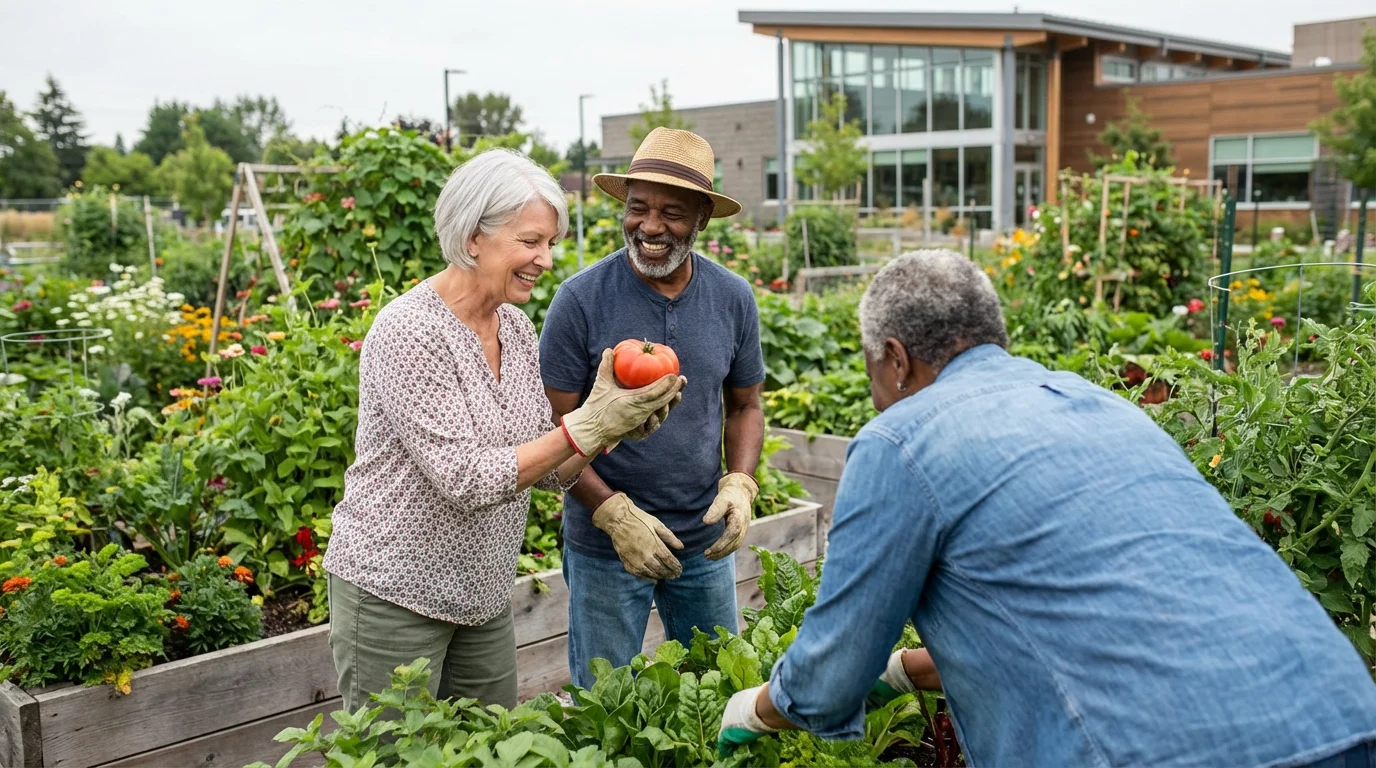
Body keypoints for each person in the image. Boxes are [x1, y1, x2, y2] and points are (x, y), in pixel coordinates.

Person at [718, 249, 1376, 766]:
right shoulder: (1102, 407)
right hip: (1340, 715)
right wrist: (905, 670)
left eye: (870, 373)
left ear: (895, 360)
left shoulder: (901, 440)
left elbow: (831, 675)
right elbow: (1095, 615)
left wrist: (757, 708)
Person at [322, 149, 684, 712]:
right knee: (391, 752)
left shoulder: (514, 328)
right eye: (530, 241)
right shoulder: (409, 331)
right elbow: (466, 479)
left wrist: (616, 426)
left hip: (482, 596)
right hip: (394, 593)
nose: (544, 259)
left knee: (489, 746)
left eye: (550, 245)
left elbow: (544, 467)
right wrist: (587, 422)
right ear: (472, 238)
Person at [539, 127, 766, 689]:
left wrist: (739, 482)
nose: (651, 226)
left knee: (716, 696)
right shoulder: (580, 301)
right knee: (605, 708)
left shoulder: (732, 297)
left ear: (702, 220)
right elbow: (555, 430)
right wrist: (613, 514)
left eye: (672, 212)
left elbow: (746, 405)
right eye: (638, 208)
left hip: (702, 541)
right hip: (604, 547)